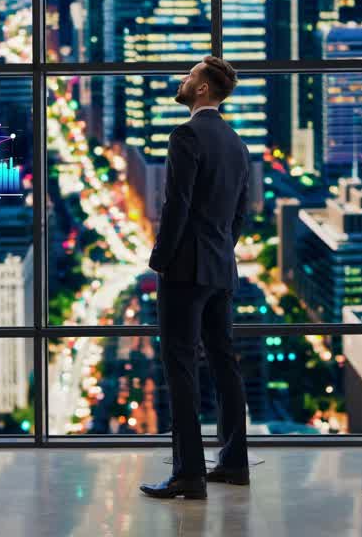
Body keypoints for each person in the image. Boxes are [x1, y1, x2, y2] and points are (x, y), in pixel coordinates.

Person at [140, 55, 251, 500]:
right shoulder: (236, 142)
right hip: (221, 267)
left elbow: (177, 204)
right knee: (225, 364)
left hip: (185, 269)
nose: (184, 81)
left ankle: (188, 473)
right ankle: (234, 463)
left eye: (190, 76)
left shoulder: (186, 134)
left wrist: (160, 260)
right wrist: (222, 249)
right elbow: (240, 211)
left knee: (181, 366)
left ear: (203, 89)